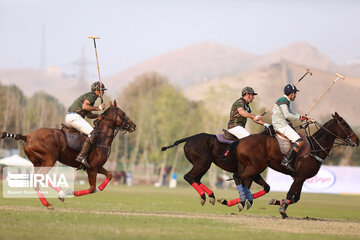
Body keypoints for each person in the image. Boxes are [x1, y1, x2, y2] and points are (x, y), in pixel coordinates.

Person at [65, 81, 106, 169]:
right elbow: (84, 107)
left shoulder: (91, 97)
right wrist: (98, 108)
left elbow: (88, 114)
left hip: (70, 117)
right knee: (93, 133)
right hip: (75, 117)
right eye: (102, 90)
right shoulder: (92, 95)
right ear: (97, 91)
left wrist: (97, 116)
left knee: (83, 136)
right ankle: (81, 156)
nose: (104, 92)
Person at [272, 84, 307, 173]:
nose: (295, 95)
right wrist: (299, 118)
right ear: (291, 93)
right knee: (300, 141)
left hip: (281, 124)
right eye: (295, 93)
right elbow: (287, 115)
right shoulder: (283, 100)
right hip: (281, 125)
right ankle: (286, 161)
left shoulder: (285, 101)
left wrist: (300, 116)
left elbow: (291, 112)